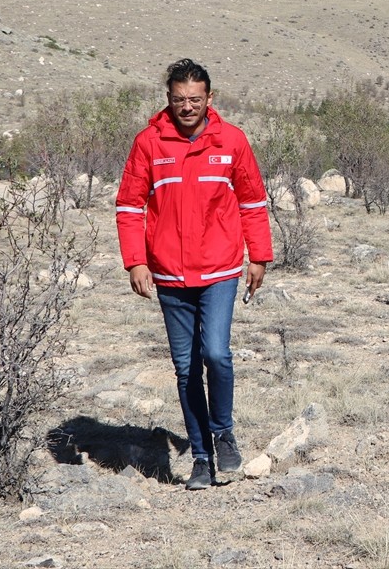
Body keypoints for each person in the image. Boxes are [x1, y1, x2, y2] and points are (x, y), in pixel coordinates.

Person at [116, 58, 273, 491]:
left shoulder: (232, 141)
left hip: (220, 269)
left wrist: (258, 256)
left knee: (217, 355)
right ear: (168, 98)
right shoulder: (149, 143)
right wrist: (136, 261)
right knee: (186, 369)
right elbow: (129, 207)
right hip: (168, 275)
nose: (187, 107)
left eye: (195, 99)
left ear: (209, 98)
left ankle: (223, 431)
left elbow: (253, 202)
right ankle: (202, 458)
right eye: (180, 99)